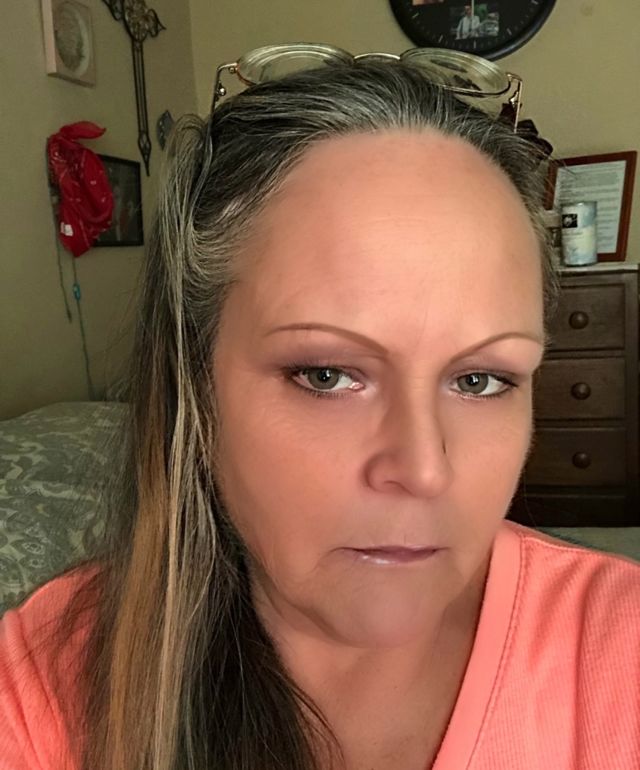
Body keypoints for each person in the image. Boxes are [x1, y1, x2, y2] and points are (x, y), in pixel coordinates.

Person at [1, 49, 639, 770]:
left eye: (480, 380)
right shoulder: (47, 680)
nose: (424, 470)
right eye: (328, 374)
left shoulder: (621, 652)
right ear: (195, 387)